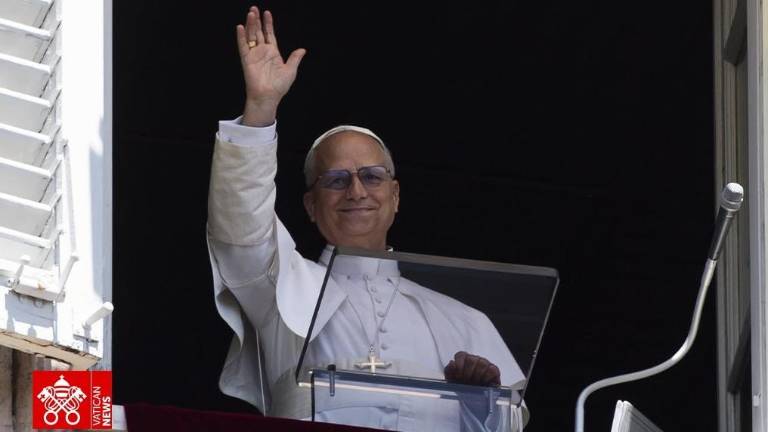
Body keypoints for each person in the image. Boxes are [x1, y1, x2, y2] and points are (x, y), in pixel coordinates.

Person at [206, 6, 527, 430]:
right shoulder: (278, 288)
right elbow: (239, 229)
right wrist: (261, 109)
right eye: (336, 180)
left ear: (394, 196)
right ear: (310, 206)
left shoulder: (464, 320)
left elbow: (509, 424)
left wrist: (481, 399)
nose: (356, 191)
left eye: (371, 177)